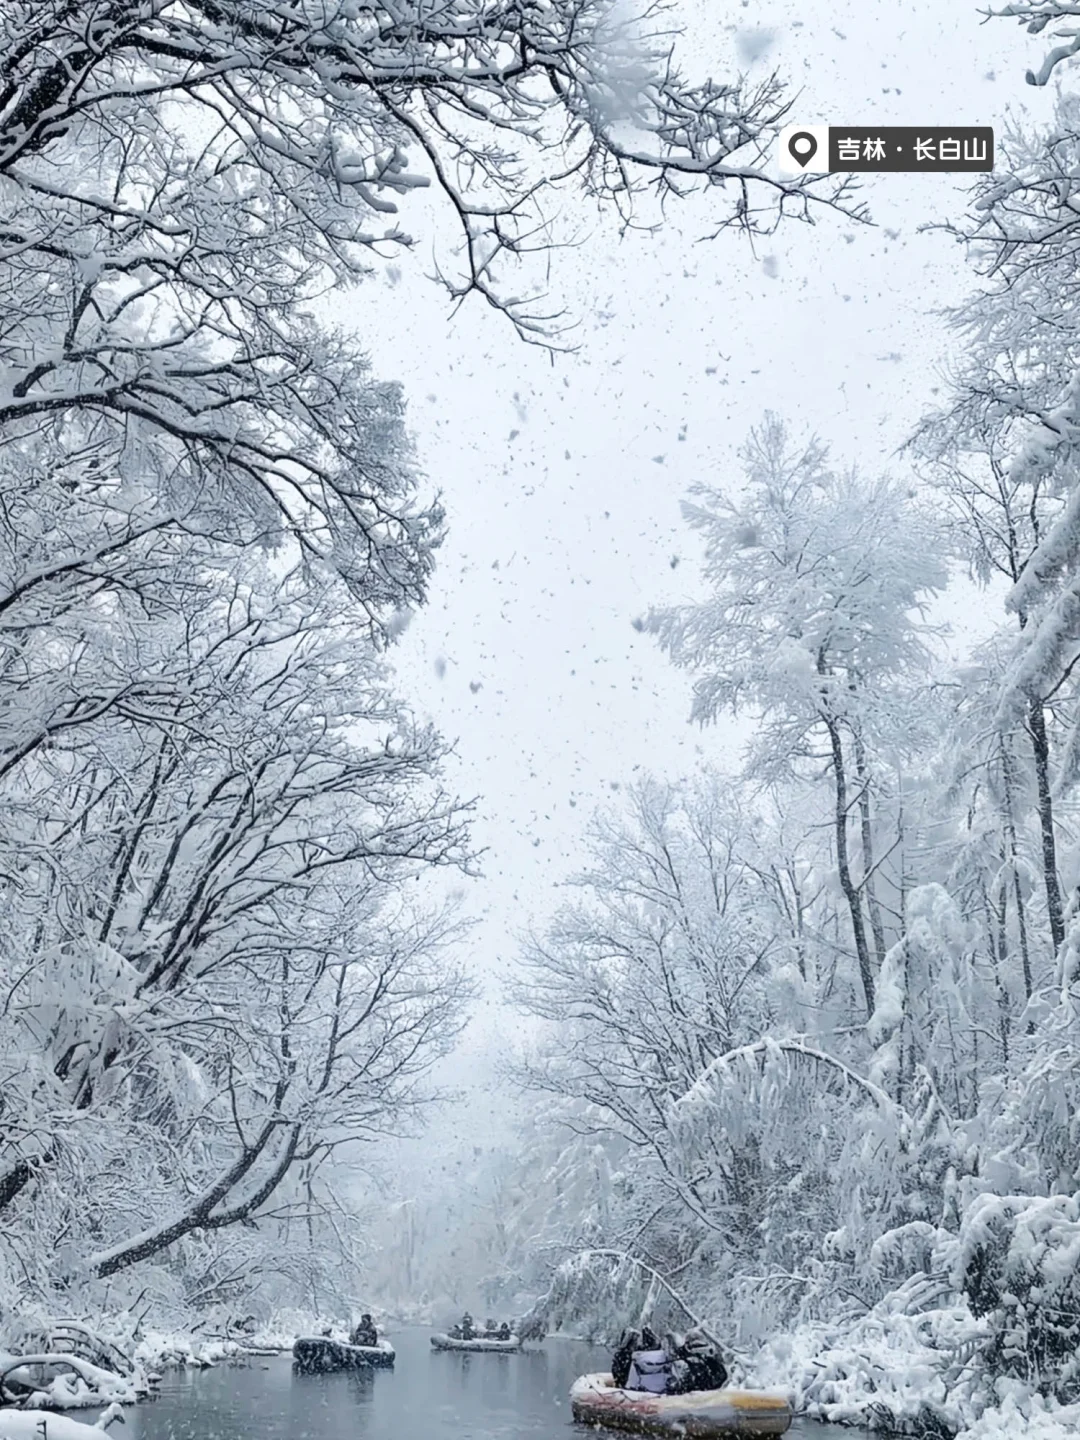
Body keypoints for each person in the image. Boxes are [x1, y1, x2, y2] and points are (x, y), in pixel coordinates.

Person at [667, 1329, 728, 1394]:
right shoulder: (687, 1357)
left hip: (709, 1391)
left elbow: (720, 1378)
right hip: (693, 1391)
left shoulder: (712, 1363)